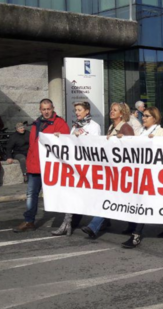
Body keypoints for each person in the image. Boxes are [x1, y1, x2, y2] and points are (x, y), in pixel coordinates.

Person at [13, 99, 69, 233]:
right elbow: (33, 146)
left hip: (52, 167)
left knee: (61, 194)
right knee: (31, 194)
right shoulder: (36, 123)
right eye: (43, 109)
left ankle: (69, 221)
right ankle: (29, 221)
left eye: (48, 109)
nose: (46, 111)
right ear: (40, 110)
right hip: (35, 165)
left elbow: (67, 143)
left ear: (53, 108)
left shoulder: (60, 123)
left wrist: (60, 137)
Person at [80, 102, 134, 239]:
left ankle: (95, 226)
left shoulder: (126, 128)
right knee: (118, 199)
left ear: (122, 113)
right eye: (111, 109)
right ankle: (127, 225)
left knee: (115, 198)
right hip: (111, 170)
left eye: (115, 110)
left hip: (122, 171)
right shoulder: (111, 127)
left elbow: (133, 149)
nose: (111, 112)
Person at [120, 107, 163, 249]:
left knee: (144, 203)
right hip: (140, 173)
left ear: (155, 118)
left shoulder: (161, 132)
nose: (144, 118)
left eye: (147, 116)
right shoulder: (140, 132)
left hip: (155, 174)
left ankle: (136, 235)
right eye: (144, 116)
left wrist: (157, 142)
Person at [52, 101, 102, 236]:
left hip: (88, 167)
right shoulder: (75, 126)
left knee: (93, 197)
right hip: (76, 167)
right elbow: (70, 143)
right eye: (76, 110)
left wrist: (82, 140)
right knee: (72, 195)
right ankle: (67, 223)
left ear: (87, 111)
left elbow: (96, 146)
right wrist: (60, 137)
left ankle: (102, 220)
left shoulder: (94, 127)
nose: (77, 112)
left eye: (80, 110)